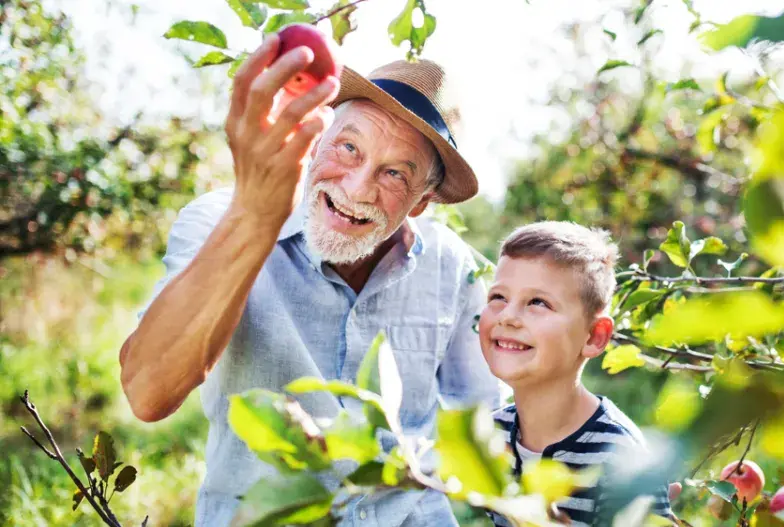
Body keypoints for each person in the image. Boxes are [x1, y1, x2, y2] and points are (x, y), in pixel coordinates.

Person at [118, 35, 503, 526]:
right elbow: (148, 393)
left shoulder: (453, 266)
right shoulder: (218, 221)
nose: (357, 189)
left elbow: (489, 419)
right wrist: (256, 219)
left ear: (422, 203)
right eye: (349, 147)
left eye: (394, 175)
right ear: (318, 137)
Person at [478, 221, 673, 526]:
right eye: (498, 297)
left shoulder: (620, 459)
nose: (508, 316)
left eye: (538, 302)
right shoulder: (491, 435)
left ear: (594, 336)